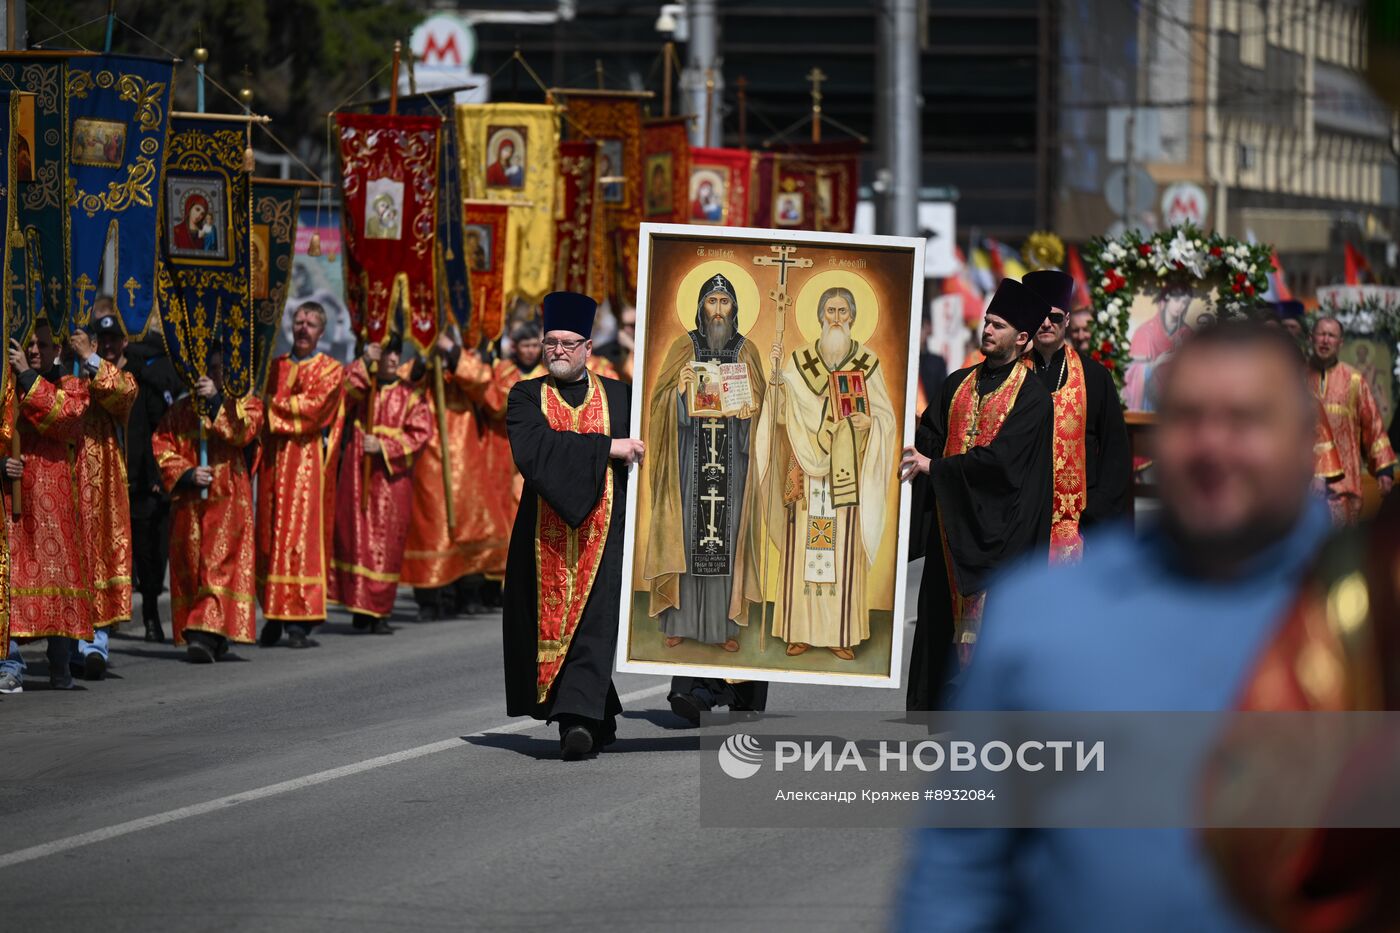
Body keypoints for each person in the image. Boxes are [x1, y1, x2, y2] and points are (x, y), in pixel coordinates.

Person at [897, 322, 1332, 932]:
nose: (1211, 446)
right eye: (1186, 418)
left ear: (1305, 438)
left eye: (1245, 420)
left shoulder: (1368, 618)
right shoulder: (1040, 615)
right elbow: (958, 869)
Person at [901, 278, 1054, 711]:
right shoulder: (957, 384)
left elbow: (1004, 463)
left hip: (1000, 535)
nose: (987, 330)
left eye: (998, 325)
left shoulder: (1033, 398)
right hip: (953, 527)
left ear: (1022, 339)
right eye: (987, 321)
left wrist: (939, 468)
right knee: (939, 622)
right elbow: (928, 438)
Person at [502, 291, 642, 760]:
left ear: (587, 347)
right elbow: (536, 453)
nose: (558, 351)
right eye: (551, 343)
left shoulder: (620, 396)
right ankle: (594, 710)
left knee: (592, 624)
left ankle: (576, 723)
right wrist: (608, 448)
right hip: (545, 535)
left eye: (568, 343)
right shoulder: (526, 395)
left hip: (606, 532)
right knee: (554, 624)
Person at [753, 284, 897, 662]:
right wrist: (775, 384)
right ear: (819, 317)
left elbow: (886, 418)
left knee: (841, 552)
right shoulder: (798, 362)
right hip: (805, 468)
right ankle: (798, 631)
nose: (836, 318)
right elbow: (780, 417)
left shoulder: (868, 363)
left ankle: (840, 633)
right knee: (803, 550)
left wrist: (871, 422)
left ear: (852, 316)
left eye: (842, 311)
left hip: (845, 473)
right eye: (829, 311)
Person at [152, 351, 264, 662]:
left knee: (218, 565)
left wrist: (216, 402)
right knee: (192, 566)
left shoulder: (247, 402)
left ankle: (203, 633)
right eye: (209, 369)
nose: (213, 374)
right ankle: (212, 634)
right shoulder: (180, 409)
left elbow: (241, 432)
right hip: (190, 503)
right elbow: (162, 445)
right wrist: (186, 473)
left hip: (228, 501)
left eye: (220, 368)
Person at [0, 322, 93, 691]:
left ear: (57, 350)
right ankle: (10, 663)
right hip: (12, 502)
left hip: (55, 506)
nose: (35, 350)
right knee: (9, 581)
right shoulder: (4, 387)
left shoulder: (70, 384)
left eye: (42, 344)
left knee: (57, 582)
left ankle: (60, 662)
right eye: (29, 344)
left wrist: (26, 375)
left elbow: (67, 418)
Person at [1022, 269, 1131, 560]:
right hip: (1021, 521)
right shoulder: (1012, 377)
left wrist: (1096, 508)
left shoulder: (1095, 376)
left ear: (1067, 320)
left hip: (1080, 523)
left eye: (1055, 317)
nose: (1046, 323)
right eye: (1040, 316)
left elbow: (1115, 452)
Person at [256, 302, 346, 648]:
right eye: (299, 321)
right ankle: (274, 615)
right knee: (269, 537)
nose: (304, 327)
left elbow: (313, 411)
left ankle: (299, 619)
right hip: (272, 464)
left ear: (321, 332)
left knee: (299, 540)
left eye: (311, 323)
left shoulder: (330, 370)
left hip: (305, 465)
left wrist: (270, 405)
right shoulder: (273, 367)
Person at [330, 334, 434, 633]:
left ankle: (379, 609)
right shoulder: (365, 387)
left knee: (387, 542)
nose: (392, 359)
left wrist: (386, 446)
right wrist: (364, 362)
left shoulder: (410, 394)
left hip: (391, 478)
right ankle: (359, 605)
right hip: (357, 471)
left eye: (396, 353)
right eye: (386, 353)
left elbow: (421, 434)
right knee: (357, 538)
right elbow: (340, 395)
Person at [69, 310, 138, 678]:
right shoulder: (64, 371)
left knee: (100, 558)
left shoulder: (114, 375)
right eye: (101, 340)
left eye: (112, 341)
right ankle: (66, 644)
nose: (107, 346)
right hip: (63, 475)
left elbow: (124, 395)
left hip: (103, 484)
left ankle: (95, 642)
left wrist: (89, 361)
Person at [399, 329, 486, 621]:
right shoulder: (416, 363)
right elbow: (400, 385)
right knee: (430, 523)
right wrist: (423, 362)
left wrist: (453, 353)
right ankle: (429, 596)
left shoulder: (464, 358)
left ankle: (468, 591)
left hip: (464, 453)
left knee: (466, 519)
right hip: (429, 455)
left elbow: (484, 383)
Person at [1307, 315, 1395, 523]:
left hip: (1345, 487)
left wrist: (1384, 469)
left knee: (1341, 551)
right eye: (1321, 334)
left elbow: (1372, 424)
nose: (1326, 340)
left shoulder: (1354, 380)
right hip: (1303, 486)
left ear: (1340, 342)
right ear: (1311, 338)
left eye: (1331, 336)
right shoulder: (1295, 377)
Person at [124, 329, 182, 642]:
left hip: (149, 479)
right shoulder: (114, 370)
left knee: (151, 550)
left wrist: (160, 475)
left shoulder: (158, 368)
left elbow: (162, 425)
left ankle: (149, 612)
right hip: (119, 474)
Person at [1123, 283, 1193, 411]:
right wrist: (1157, 363)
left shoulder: (1187, 333)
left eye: (1185, 303)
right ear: (1166, 299)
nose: (1181, 307)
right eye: (1177, 300)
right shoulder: (1145, 331)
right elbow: (1133, 372)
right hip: (1149, 401)